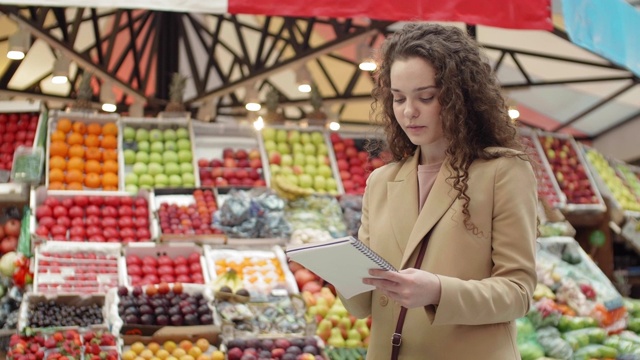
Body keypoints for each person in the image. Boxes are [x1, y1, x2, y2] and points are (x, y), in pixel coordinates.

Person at [339, 22, 538, 359]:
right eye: (398, 98)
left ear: (461, 95)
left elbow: (518, 293)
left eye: (426, 97)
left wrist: (438, 291)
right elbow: (364, 304)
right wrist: (340, 272)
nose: (408, 111)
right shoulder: (381, 182)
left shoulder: (502, 172)